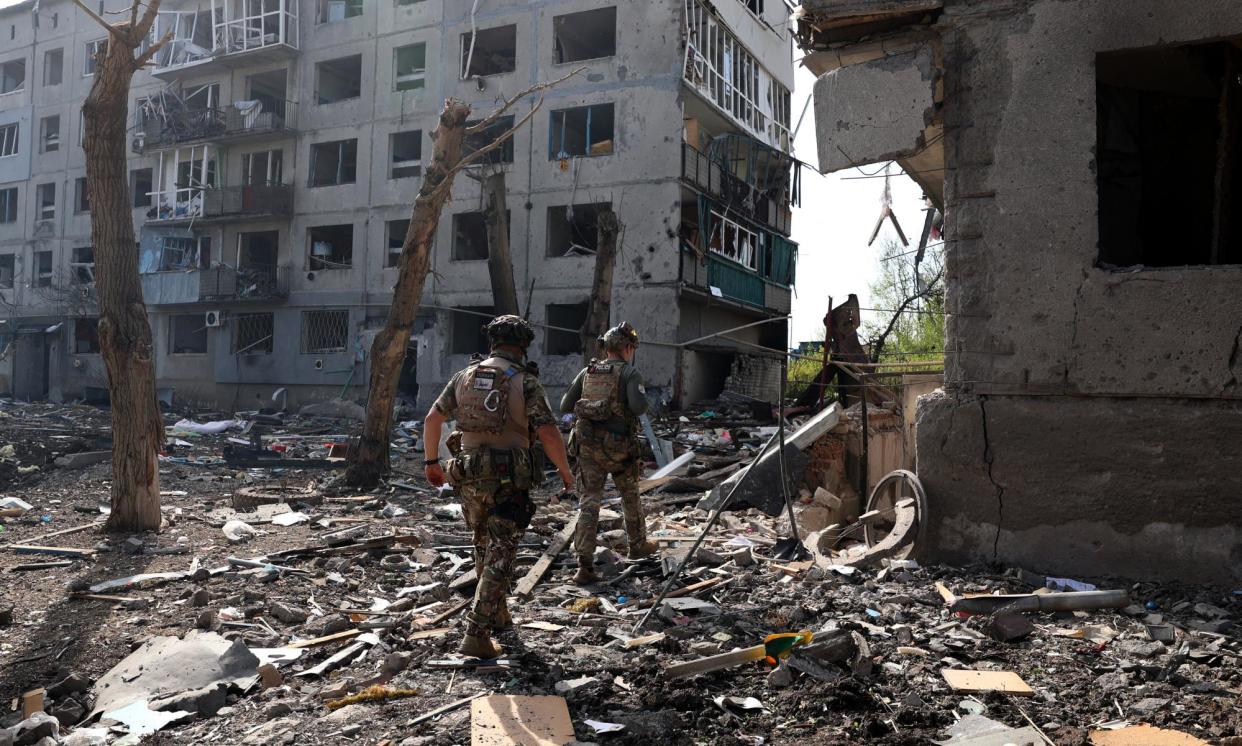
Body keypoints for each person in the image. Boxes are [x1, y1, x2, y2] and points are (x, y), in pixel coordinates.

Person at [423, 314, 574, 659]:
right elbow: (548, 432)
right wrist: (565, 471)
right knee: (501, 554)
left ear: (491, 343)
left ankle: (499, 614)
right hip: (508, 479)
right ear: (522, 346)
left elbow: (433, 418)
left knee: (482, 546)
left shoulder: (463, 376)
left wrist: (431, 463)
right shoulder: (526, 381)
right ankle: (476, 633)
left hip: (468, 474)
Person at [560, 321, 658, 584]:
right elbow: (638, 407)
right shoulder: (629, 372)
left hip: (588, 446)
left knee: (589, 502)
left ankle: (584, 566)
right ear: (627, 348)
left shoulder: (588, 371)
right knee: (629, 495)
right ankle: (637, 545)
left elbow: (565, 405)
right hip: (618, 449)